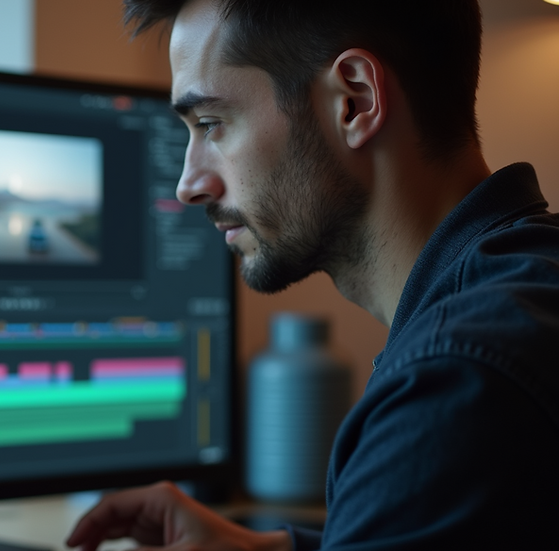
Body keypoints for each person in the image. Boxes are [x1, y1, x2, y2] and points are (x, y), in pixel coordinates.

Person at [65, 0, 559, 549]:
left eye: (211, 124)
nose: (188, 183)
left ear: (355, 101)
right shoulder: (529, 282)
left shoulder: (457, 385)